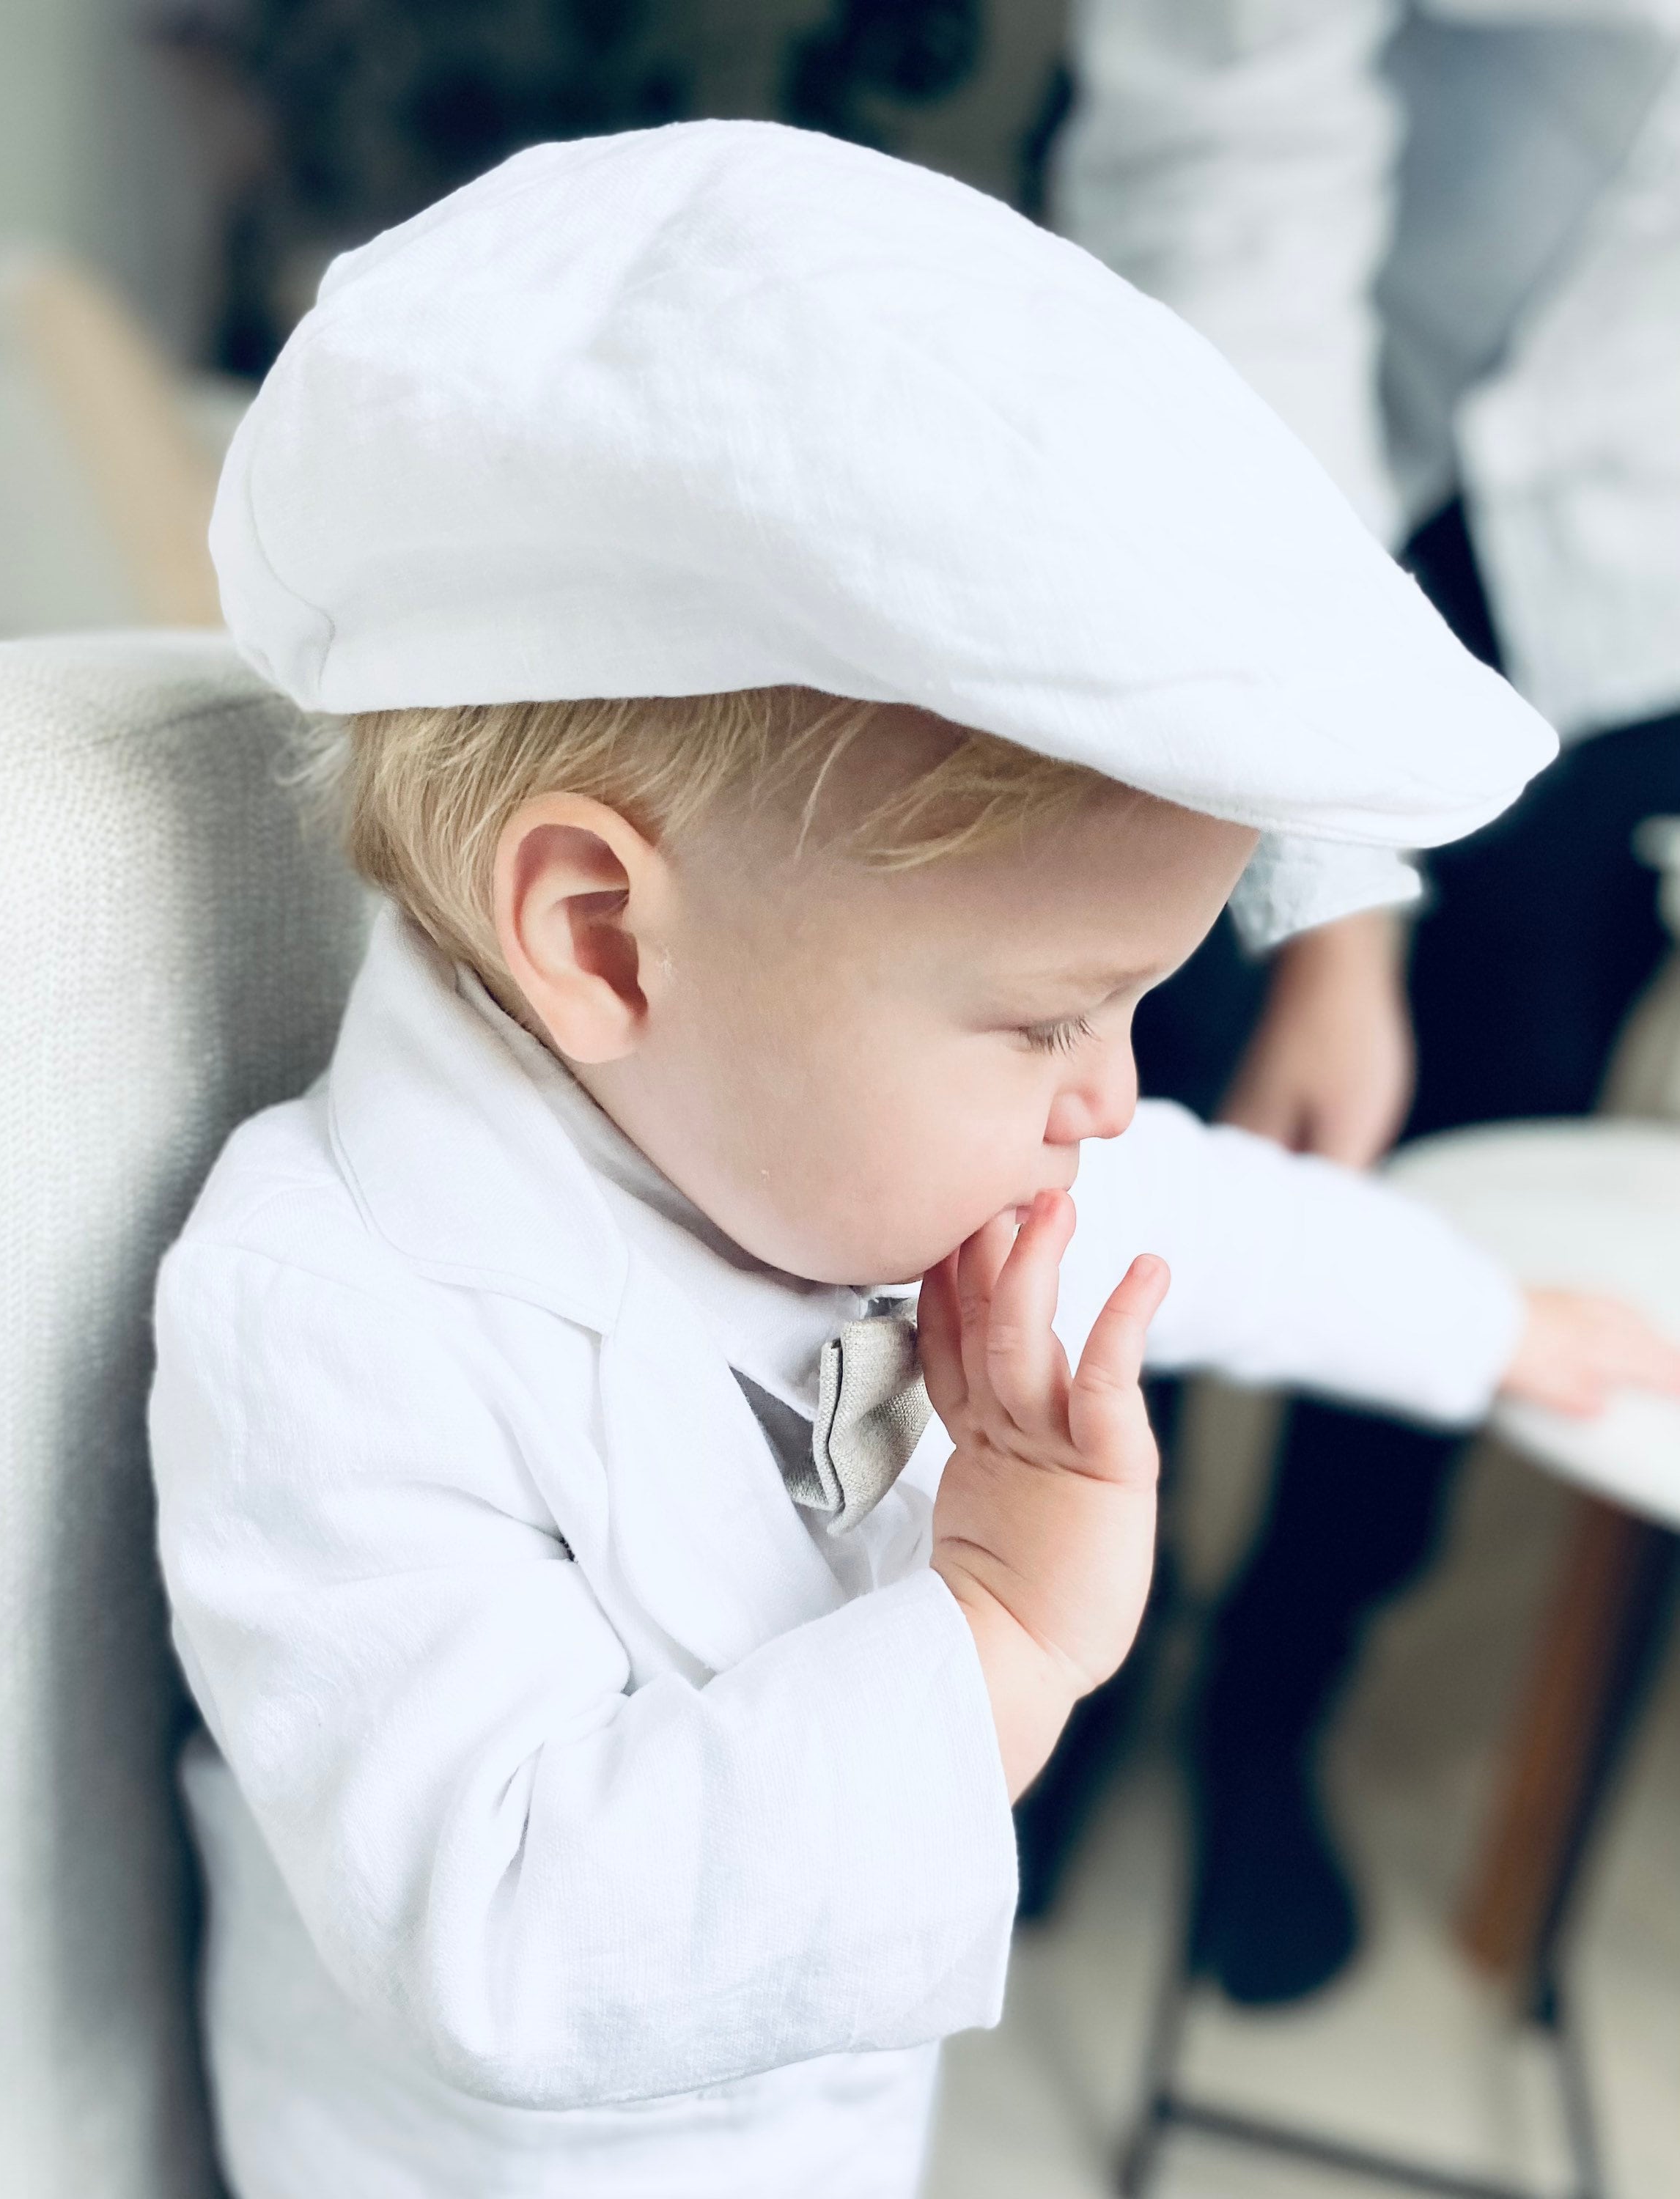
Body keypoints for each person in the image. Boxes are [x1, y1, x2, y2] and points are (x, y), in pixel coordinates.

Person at [147, 122, 1680, 2198]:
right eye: (1055, 1018)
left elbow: (1196, 1213)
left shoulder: (853, 1132)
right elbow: (499, 1933)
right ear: (600, 939)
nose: (1111, 1095)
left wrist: (1486, 1324)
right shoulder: (336, 1311)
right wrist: (997, 1643)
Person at [1050, 0, 1680, 2003]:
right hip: (1257, 445)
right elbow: (1229, 180)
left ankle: (1277, 1714)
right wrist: (1334, 907)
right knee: (1094, 1130)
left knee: (1466, 1148)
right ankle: (1049, 1656)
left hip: (1619, 619)